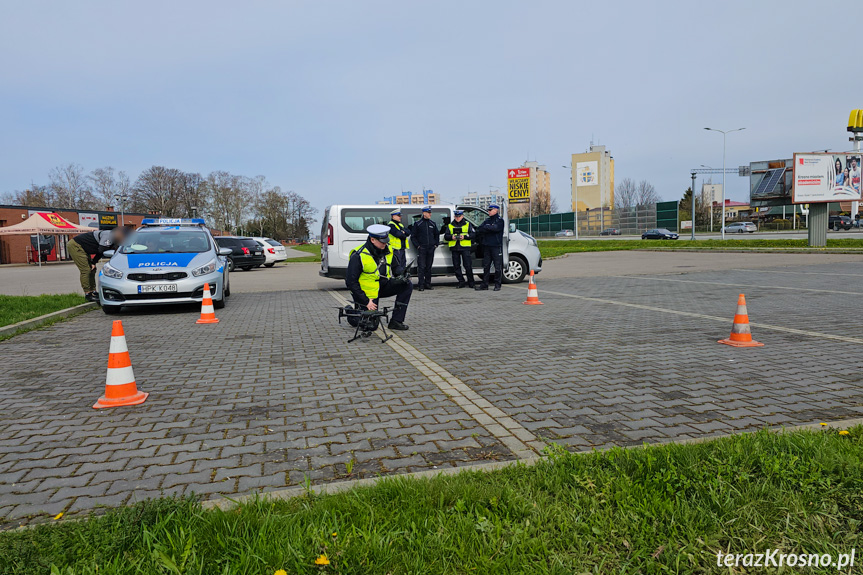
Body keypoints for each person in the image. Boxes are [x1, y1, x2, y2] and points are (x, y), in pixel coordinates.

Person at [345, 224, 412, 331]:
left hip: (383, 286)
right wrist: (366, 301)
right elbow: (350, 282)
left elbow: (396, 268)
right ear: (372, 239)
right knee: (371, 326)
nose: (385, 244)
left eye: (386, 241)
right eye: (382, 241)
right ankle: (350, 312)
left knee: (407, 285)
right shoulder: (358, 255)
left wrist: (402, 274)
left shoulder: (388, 250)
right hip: (366, 293)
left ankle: (396, 321)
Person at [68, 226, 128, 302]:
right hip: (76, 246)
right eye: (123, 237)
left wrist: (93, 263)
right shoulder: (108, 236)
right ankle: (88, 294)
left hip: (84, 248)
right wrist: (93, 262)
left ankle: (93, 291)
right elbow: (101, 250)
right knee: (86, 270)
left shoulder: (115, 240)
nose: (123, 239)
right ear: (119, 233)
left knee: (93, 270)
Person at [475, 204, 505, 291]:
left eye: (490, 210)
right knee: (486, 266)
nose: (488, 211)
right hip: (487, 246)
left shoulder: (500, 221)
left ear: (496, 210)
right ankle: (485, 284)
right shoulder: (487, 220)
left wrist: (487, 228)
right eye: (488, 210)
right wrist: (489, 228)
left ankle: (497, 284)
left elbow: (496, 228)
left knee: (497, 267)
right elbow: (480, 229)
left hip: (496, 246)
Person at [444, 209, 475, 288]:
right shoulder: (450, 225)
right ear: (454, 216)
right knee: (456, 266)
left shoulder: (468, 224)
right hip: (455, 248)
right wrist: (452, 237)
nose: (458, 218)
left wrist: (464, 237)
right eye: (456, 216)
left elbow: (473, 234)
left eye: (459, 216)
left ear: (462, 216)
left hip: (465, 247)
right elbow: (446, 236)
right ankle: (461, 281)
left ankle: (471, 282)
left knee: (467, 265)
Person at [411, 205, 439, 291]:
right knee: (421, 267)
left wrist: (435, 244)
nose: (430, 214)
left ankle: (428, 284)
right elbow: (413, 236)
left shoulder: (432, 224)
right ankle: (421, 285)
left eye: (430, 212)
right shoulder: (418, 224)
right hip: (422, 248)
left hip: (431, 248)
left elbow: (436, 235)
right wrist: (418, 246)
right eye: (428, 212)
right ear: (424, 213)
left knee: (428, 267)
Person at [387, 208, 409, 272]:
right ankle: (398, 279)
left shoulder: (400, 225)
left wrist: (403, 232)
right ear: (393, 216)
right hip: (396, 250)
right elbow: (399, 234)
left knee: (403, 266)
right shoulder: (391, 225)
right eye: (399, 216)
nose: (400, 217)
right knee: (398, 266)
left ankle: (402, 279)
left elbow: (408, 232)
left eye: (400, 216)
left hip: (401, 249)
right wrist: (403, 233)